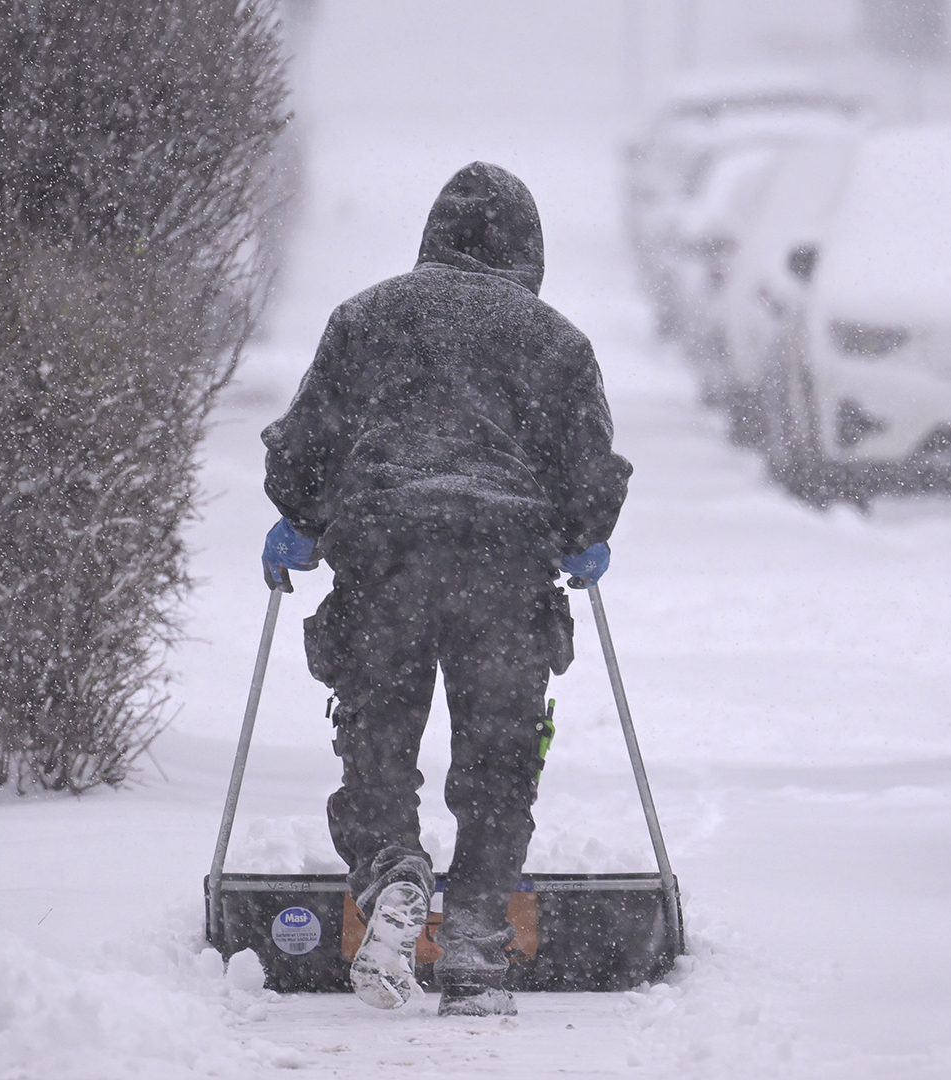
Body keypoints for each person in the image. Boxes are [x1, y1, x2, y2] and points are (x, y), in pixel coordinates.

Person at [260, 162, 631, 1016]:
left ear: (434, 235)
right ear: (528, 251)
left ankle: (392, 871)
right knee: (500, 760)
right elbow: (586, 475)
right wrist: (584, 536)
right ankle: (473, 946)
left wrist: (300, 518)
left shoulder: (365, 318)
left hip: (384, 558)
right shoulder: (556, 342)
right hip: (504, 569)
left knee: (377, 739)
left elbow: (307, 446)